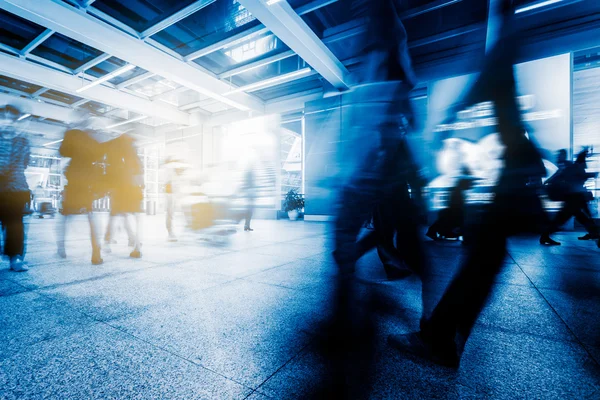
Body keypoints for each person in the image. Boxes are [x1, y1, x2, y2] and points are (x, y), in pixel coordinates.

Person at [388, 0, 566, 367]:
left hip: (506, 182)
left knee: (481, 262)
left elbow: (492, 76)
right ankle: (445, 338)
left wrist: (451, 116)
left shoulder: (501, 42)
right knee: (484, 262)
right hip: (510, 179)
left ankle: (438, 339)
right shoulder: (505, 45)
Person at [57, 120, 105, 265]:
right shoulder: (90, 139)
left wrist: (67, 133)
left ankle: (61, 247)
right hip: (85, 183)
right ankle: (96, 252)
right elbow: (99, 155)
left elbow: (63, 151)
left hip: (74, 182)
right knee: (90, 217)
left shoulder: (73, 135)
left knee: (66, 216)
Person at [0, 105, 31, 272]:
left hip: (15, 189)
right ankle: (14, 257)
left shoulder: (22, 141)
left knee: (15, 225)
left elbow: (23, 163)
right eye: (3, 118)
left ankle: (15, 257)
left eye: (10, 119)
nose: (6, 122)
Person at [544, 149, 599, 242]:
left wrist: (549, 181)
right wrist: (592, 175)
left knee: (577, 216)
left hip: (575, 196)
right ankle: (595, 234)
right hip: (575, 197)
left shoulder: (570, 166)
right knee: (570, 217)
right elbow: (577, 176)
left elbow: (561, 176)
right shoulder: (574, 167)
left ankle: (594, 234)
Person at [104, 134, 144, 258]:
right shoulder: (133, 157)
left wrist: (110, 188)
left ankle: (107, 242)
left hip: (119, 190)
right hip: (132, 190)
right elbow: (139, 174)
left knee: (116, 215)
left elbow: (110, 174)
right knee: (134, 217)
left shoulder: (114, 157)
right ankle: (135, 244)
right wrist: (140, 187)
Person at [241, 166, 256, 232]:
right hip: (249, 193)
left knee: (249, 211)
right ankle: (246, 226)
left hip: (249, 193)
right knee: (249, 211)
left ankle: (247, 226)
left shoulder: (248, 176)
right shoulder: (249, 177)